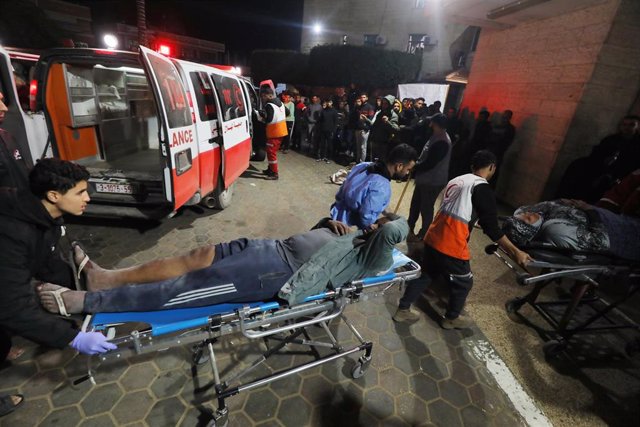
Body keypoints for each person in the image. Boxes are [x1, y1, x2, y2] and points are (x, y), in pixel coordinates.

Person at [37, 214, 409, 313]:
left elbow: (396, 229)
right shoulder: (353, 237)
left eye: (378, 223)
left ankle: (84, 301)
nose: (374, 223)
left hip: (272, 273)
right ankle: (106, 279)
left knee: (179, 292)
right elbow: (317, 245)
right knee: (188, 259)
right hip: (264, 248)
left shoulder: (372, 256)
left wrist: (389, 222)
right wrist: (326, 224)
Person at [394, 150, 532, 328]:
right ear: (492, 167)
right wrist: (516, 252)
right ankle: (451, 318)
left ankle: (402, 309)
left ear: (472, 166)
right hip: (451, 243)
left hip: (433, 236)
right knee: (464, 282)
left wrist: (474, 219)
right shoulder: (483, 188)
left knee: (427, 274)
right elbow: (491, 228)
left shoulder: (457, 180)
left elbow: (459, 209)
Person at [0, 158, 117, 361]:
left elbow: (49, 265)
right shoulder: (12, 233)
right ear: (54, 196)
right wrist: (72, 338)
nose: (87, 198)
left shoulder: (46, 218)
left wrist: (91, 294)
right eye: (80, 193)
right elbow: (12, 306)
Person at [503, 199, 640, 261]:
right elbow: (601, 241)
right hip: (622, 234)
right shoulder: (555, 231)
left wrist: (565, 202)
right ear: (530, 231)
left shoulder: (530, 214)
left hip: (614, 218)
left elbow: (551, 204)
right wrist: (589, 210)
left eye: (522, 215)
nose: (527, 214)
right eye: (527, 220)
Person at [330, 144, 417, 230]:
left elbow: (344, 191)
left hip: (336, 216)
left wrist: (388, 213)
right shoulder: (382, 186)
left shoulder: (364, 165)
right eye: (408, 169)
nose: (407, 173)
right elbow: (366, 218)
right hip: (347, 228)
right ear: (399, 166)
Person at [556, 115, 640, 203]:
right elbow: (596, 155)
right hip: (599, 170)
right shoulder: (611, 140)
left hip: (621, 176)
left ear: (637, 126)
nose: (627, 127)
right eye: (624, 124)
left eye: (631, 125)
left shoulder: (637, 144)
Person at [408, 113, 452, 240]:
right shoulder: (436, 135)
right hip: (425, 178)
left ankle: (425, 233)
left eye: (432, 121)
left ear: (435, 123)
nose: (429, 124)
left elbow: (431, 162)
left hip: (433, 180)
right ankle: (409, 225)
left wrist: (415, 166)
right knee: (416, 203)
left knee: (426, 207)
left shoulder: (442, 140)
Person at [255, 86, 288, 180]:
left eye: (263, 96)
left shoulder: (269, 105)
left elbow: (268, 119)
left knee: (271, 152)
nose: (262, 98)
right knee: (272, 151)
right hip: (282, 131)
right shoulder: (280, 102)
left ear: (267, 96)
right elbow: (288, 112)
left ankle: (274, 173)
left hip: (274, 132)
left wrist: (260, 116)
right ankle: (270, 169)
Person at [367, 95, 400, 161]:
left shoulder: (393, 115)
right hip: (375, 141)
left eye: (386, 103)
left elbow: (396, 130)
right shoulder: (380, 113)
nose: (383, 105)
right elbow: (374, 126)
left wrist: (387, 122)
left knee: (381, 163)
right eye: (383, 103)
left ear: (390, 104)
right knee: (373, 162)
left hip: (384, 143)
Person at [355, 93, 376, 163]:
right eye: (361, 97)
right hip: (358, 129)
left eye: (364, 97)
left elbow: (371, 120)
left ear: (367, 98)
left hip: (365, 130)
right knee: (358, 147)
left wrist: (366, 128)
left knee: (363, 147)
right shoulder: (358, 107)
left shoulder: (370, 107)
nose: (362, 98)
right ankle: (358, 162)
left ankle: (362, 163)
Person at [317, 99, 339, 163]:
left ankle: (329, 158)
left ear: (331, 103)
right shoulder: (323, 110)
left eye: (329, 102)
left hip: (330, 130)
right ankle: (321, 157)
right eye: (327, 102)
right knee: (322, 144)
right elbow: (320, 120)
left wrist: (334, 131)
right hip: (323, 130)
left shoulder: (334, 111)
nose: (328, 103)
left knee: (329, 145)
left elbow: (336, 122)